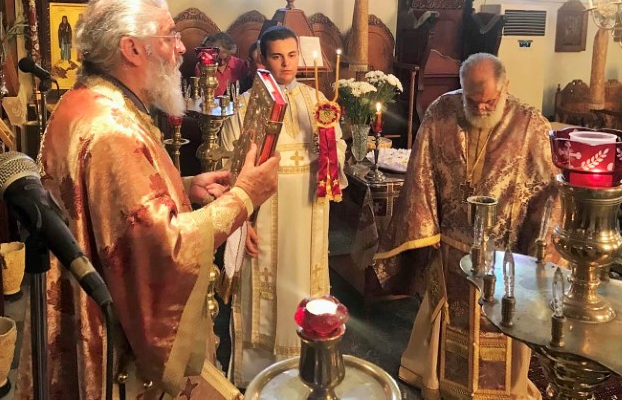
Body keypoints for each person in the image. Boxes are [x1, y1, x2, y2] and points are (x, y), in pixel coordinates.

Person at [31, 0, 279, 399]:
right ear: (131, 48)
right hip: (118, 345)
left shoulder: (93, 100)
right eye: (169, 36)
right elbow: (165, 247)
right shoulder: (112, 129)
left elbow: (116, 205)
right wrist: (245, 196)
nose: (181, 48)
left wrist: (184, 187)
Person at [373, 53, 557, 400]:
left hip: (505, 256)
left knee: (501, 321)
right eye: (472, 100)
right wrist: (425, 229)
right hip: (451, 249)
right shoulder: (441, 112)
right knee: (448, 316)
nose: (481, 108)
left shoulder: (530, 124)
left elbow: (548, 190)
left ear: (506, 87)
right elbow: (421, 174)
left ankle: (504, 390)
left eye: (489, 100)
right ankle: (438, 380)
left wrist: (541, 246)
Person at [219, 26, 347, 387]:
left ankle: (309, 365)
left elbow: (337, 154)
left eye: (292, 55)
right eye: (277, 56)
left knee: (306, 287)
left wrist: (328, 149)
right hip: (265, 218)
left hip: (307, 216)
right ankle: (259, 376)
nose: (286, 64)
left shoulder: (317, 101)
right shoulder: (246, 105)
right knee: (263, 296)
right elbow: (229, 166)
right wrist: (241, 221)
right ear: (263, 58)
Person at [195, 31, 250, 97]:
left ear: (231, 53)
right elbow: (200, 92)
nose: (222, 62)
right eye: (218, 59)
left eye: (226, 58)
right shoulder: (203, 66)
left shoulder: (240, 65)